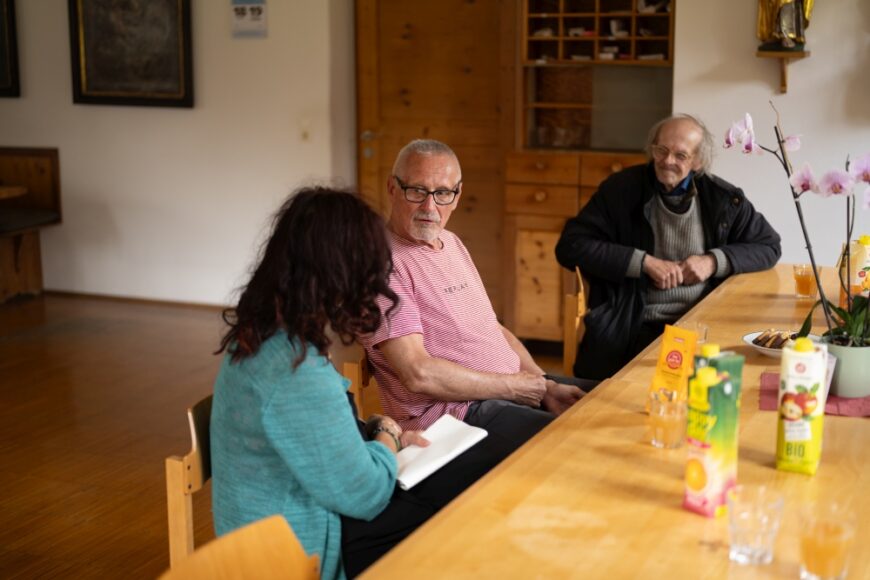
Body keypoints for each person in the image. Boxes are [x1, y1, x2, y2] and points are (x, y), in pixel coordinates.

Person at [210, 188, 516, 579]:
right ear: (340, 274)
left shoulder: (266, 335)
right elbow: (366, 495)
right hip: (297, 548)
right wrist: (388, 432)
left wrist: (380, 435)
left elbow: (317, 438)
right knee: (456, 524)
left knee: (452, 496)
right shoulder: (292, 369)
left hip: (293, 520)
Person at [360, 139, 591, 453]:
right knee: (578, 441)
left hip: (505, 393)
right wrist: (515, 388)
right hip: (455, 419)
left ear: (457, 196)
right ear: (391, 187)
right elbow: (418, 373)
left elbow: (491, 329)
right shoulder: (380, 264)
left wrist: (543, 384)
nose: (430, 208)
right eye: (417, 191)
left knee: (613, 401)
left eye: (442, 193)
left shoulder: (451, 242)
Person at [555, 114, 782, 380]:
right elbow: (570, 246)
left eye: (680, 155)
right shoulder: (621, 190)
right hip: (635, 324)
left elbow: (769, 246)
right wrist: (643, 263)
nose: (667, 161)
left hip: (703, 323)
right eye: (661, 150)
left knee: (731, 384)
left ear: (698, 161)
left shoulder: (722, 199)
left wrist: (712, 261)